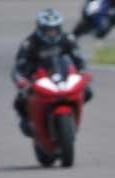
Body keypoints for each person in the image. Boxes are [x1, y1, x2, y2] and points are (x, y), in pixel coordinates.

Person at [11, 9, 92, 137]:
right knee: (19, 101)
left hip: (64, 76)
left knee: (88, 91)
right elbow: (19, 67)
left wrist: (84, 73)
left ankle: (74, 114)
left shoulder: (68, 39)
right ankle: (28, 121)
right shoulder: (29, 43)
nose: (52, 33)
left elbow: (79, 60)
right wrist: (22, 81)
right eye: (48, 30)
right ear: (40, 29)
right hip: (36, 79)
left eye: (55, 29)